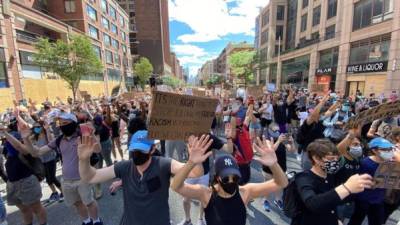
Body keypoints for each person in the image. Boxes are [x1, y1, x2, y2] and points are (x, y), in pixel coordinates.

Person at [78, 130, 205, 225]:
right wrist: (84, 160)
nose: (137, 153)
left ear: (152, 149)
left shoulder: (163, 164)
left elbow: (195, 173)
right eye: (134, 149)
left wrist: (194, 161)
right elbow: (90, 177)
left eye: (142, 149)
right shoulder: (124, 167)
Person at [10, 112, 104, 225]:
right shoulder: (59, 140)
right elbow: (37, 152)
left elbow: (98, 150)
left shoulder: (83, 136)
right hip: (67, 180)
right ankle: (87, 221)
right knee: (77, 203)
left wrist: (92, 135)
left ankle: (96, 221)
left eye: (65, 122)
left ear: (74, 123)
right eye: (60, 123)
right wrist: (26, 139)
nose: (62, 125)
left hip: (83, 178)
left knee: (89, 202)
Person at [171, 136, 288, 225]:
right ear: (217, 178)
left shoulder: (245, 192)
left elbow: (282, 183)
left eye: (235, 177)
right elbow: (176, 186)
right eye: (226, 178)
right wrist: (191, 163)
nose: (232, 181)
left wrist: (274, 164)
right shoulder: (206, 194)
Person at [292, 139, 373, 225]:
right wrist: (346, 187)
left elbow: (330, 202)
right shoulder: (303, 178)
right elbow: (313, 203)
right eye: (331, 158)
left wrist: (336, 219)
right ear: (316, 158)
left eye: (336, 158)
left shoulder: (330, 176)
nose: (335, 161)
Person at [2, 118, 48, 225]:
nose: (7, 143)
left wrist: (4, 133)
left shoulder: (28, 148)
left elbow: (18, 146)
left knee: (36, 208)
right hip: (12, 183)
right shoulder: (8, 151)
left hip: (27, 182)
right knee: (24, 209)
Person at [348, 137, 396, 225]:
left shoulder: (389, 163)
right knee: (356, 219)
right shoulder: (365, 163)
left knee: (377, 221)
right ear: (375, 150)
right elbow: (360, 181)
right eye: (385, 149)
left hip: (379, 199)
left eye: (390, 149)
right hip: (363, 199)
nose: (389, 151)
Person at [31, 122, 63, 202]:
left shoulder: (47, 135)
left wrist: (47, 129)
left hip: (51, 159)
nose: (36, 129)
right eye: (34, 127)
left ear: (42, 127)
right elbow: (28, 143)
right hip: (42, 161)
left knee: (52, 178)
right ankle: (55, 193)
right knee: (48, 179)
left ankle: (63, 192)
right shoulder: (34, 137)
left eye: (38, 127)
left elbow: (51, 141)